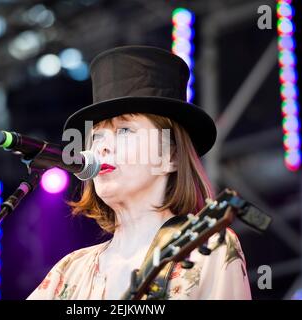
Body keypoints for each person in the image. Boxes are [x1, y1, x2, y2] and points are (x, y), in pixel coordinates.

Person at [27, 45, 251, 300]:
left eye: (124, 131)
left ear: (171, 156)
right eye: (97, 135)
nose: (102, 146)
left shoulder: (207, 248)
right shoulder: (68, 273)